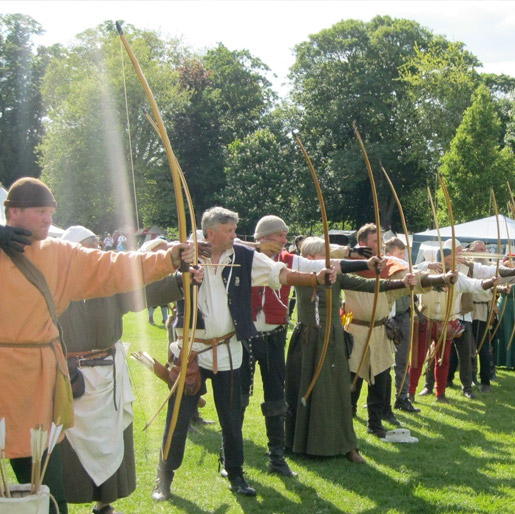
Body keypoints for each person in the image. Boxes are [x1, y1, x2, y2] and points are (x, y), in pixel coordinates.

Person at [0, 177, 194, 514]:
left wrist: (168, 258)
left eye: (50, 212)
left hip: (40, 374)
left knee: (44, 470)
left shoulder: (59, 254)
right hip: (4, 371)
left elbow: (113, 267)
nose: (49, 219)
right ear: (13, 212)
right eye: (40, 212)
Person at [152, 207, 335, 500]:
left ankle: (236, 475)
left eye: (236, 230)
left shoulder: (243, 256)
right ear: (211, 232)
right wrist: (182, 269)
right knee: (177, 419)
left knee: (232, 417)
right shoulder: (184, 254)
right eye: (230, 231)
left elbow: (281, 273)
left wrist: (316, 280)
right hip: (191, 352)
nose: (236, 236)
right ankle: (164, 479)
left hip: (227, 350)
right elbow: (154, 282)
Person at [58, 226, 198, 514]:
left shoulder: (107, 281)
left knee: (110, 438)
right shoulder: (55, 283)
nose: (94, 252)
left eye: (95, 246)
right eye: (86, 247)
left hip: (108, 374)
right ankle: (62, 502)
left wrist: (180, 280)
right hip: (68, 376)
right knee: (67, 442)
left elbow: (140, 291)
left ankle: (104, 503)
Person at [242, 216, 373, 475]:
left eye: (285, 236)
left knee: (276, 397)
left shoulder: (289, 260)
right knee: (239, 398)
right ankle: (231, 455)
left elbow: (329, 263)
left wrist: (362, 260)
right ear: (264, 236)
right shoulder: (244, 255)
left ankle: (277, 456)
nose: (284, 240)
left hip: (275, 335)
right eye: (280, 235)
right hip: (246, 335)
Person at [285, 236, 426, 458]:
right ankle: (299, 444)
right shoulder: (300, 274)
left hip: (333, 338)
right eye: (325, 255)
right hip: (308, 340)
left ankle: (345, 445)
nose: (331, 260)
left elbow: (370, 285)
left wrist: (401, 282)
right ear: (310, 257)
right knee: (306, 388)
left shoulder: (337, 276)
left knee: (339, 390)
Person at [409, 247, 501, 403]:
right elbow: (410, 270)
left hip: (446, 323)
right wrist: (428, 266)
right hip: (426, 321)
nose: (453, 263)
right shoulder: (425, 273)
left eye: (453, 260)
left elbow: (475, 285)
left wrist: (491, 282)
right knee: (417, 359)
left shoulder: (457, 277)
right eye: (449, 259)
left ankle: (441, 394)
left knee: (443, 360)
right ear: (441, 259)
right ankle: (410, 393)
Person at [383, 237, 420, 413]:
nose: (403, 258)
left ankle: (402, 397)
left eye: (404, 254)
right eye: (400, 254)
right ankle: (380, 400)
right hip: (385, 319)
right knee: (381, 361)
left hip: (403, 317)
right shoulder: (383, 269)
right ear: (389, 255)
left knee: (403, 360)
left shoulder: (407, 271)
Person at [141, 238, 171, 325]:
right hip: (154, 283)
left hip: (162, 281)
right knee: (155, 300)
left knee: (163, 301)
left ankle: (165, 318)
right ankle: (153, 318)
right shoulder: (149, 258)